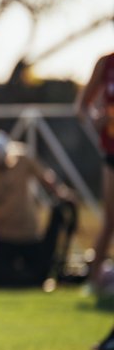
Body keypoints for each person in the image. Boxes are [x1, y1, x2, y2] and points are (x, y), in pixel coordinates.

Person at [0, 130, 76, 289]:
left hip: (29, 235)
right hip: (2, 238)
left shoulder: (22, 159)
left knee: (38, 276)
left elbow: (45, 177)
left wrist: (61, 193)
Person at [76, 50, 114, 303]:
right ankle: (93, 281)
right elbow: (82, 106)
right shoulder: (106, 63)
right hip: (112, 149)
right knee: (110, 217)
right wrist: (96, 119)